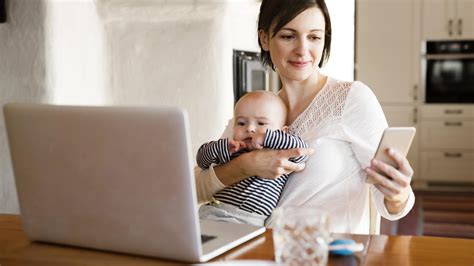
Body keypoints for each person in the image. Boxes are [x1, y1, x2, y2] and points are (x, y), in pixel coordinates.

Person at [195, 0, 415, 234]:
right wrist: (247, 165)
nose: (302, 50)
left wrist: (398, 193)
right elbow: (198, 188)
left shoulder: (351, 99)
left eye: (314, 37)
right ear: (265, 39)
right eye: (288, 36)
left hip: (325, 253)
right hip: (259, 250)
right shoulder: (256, 109)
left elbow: (392, 204)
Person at [196, 90, 308, 227]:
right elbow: (201, 161)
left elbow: (301, 151)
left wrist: (267, 137)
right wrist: (222, 146)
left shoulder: (280, 153)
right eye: (241, 123)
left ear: (282, 132)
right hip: (214, 212)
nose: (250, 128)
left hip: (251, 222)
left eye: (261, 124)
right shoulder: (234, 149)